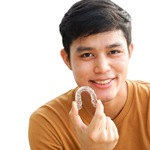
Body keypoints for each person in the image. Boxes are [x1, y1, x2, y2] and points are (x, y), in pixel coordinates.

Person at [28, 0, 150, 149]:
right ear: (67, 59)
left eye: (114, 52)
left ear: (130, 52)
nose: (102, 68)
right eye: (87, 55)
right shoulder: (47, 123)